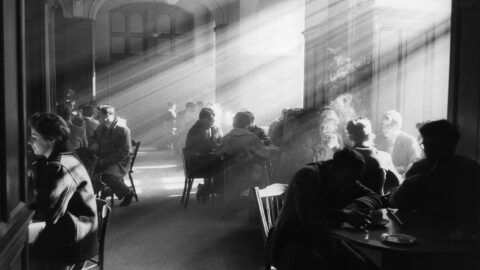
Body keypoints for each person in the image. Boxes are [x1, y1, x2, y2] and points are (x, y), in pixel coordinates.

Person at [268, 148, 382, 270]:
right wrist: (347, 215)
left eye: (354, 180)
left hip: (323, 238)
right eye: (347, 178)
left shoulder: (346, 175)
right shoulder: (307, 176)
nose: (350, 185)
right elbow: (309, 218)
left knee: (363, 265)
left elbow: (374, 197)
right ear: (334, 168)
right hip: (290, 242)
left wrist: (355, 207)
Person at [28, 113, 98, 270]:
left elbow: (49, 213)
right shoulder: (64, 156)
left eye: (34, 137)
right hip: (78, 233)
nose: (30, 142)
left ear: (51, 138)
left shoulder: (59, 166)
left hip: (70, 241)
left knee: (19, 250)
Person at [390, 120, 480, 228]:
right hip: (417, 231)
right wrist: (419, 179)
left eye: (433, 146)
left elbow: (467, 211)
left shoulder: (468, 170)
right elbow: (396, 202)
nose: (427, 151)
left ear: (450, 146)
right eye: (425, 145)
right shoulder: (419, 167)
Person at [217, 112, 270, 213]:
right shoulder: (252, 138)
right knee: (265, 172)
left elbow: (218, 153)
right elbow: (265, 155)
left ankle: (234, 206)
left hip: (233, 174)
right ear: (247, 124)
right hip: (251, 174)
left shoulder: (227, 137)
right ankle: (260, 207)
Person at [90, 104, 134, 206]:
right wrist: (94, 143)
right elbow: (93, 137)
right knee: (89, 171)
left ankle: (128, 193)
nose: (96, 118)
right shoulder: (101, 128)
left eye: (98, 115)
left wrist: (104, 161)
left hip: (120, 161)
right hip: (104, 159)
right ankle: (103, 189)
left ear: (107, 116)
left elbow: (124, 152)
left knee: (107, 175)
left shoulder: (123, 130)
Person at [346, 117, 400, 194]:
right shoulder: (383, 157)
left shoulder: (345, 157)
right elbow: (397, 183)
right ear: (371, 136)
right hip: (377, 203)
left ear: (351, 137)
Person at [185, 107, 223, 202]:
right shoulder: (198, 131)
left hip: (198, 162)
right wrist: (215, 136)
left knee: (222, 164)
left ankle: (206, 188)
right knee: (224, 166)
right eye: (211, 121)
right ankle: (208, 190)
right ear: (204, 119)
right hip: (196, 165)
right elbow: (209, 148)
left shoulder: (200, 128)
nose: (212, 124)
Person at [375, 110, 421, 175]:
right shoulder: (377, 139)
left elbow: (415, 164)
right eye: (383, 125)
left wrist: (396, 169)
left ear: (398, 126)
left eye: (389, 125)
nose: (385, 128)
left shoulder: (409, 141)